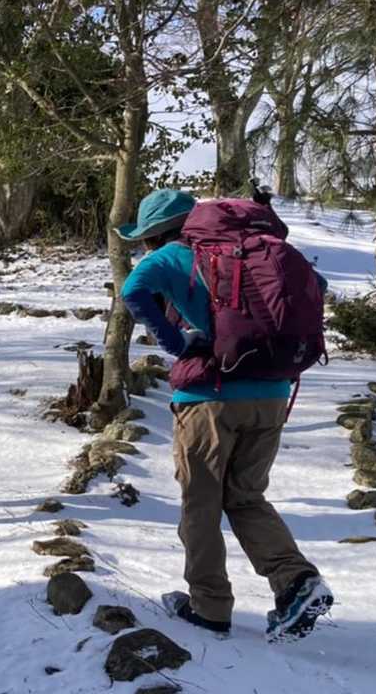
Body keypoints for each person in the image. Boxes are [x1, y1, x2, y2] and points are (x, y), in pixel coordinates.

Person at [119, 188, 334, 642]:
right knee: (245, 496)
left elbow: (132, 290)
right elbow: (319, 287)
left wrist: (177, 344)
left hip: (210, 397)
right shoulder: (260, 250)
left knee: (201, 502)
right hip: (273, 392)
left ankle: (209, 607)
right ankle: (296, 581)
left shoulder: (172, 256)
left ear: (155, 235)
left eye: (144, 240)